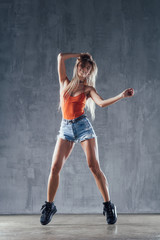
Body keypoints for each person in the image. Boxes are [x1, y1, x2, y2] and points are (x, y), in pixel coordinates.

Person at [40, 52, 134, 225]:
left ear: (90, 72)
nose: (84, 71)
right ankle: (49, 206)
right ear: (77, 67)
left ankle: (108, 206)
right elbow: (60, 57)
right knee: (54, 168)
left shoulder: (88, 89)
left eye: (88, 69)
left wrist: (121, 96)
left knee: (93, 166)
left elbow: (102, 103)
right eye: (82, 67)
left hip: (83, 127)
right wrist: (80, 54)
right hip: (66, 128)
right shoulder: (65, 83)